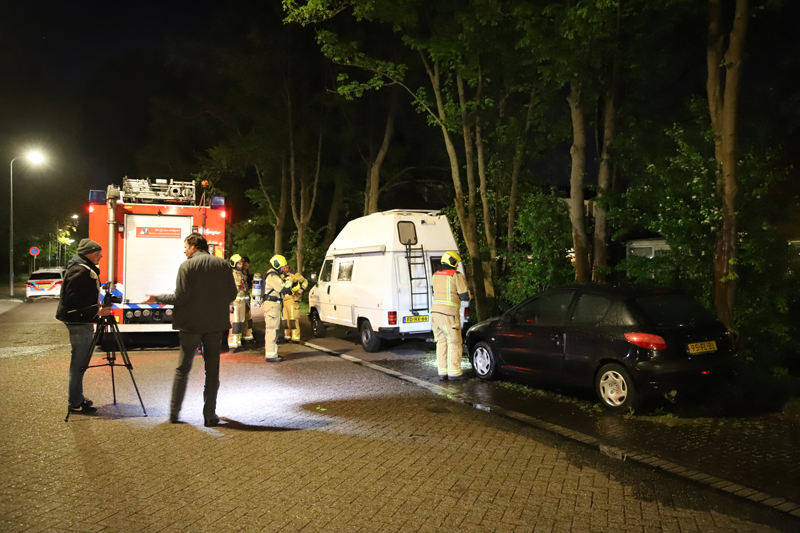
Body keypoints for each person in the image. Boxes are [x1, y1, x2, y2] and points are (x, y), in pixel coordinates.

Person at [143, 234, 237, 426]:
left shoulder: (187, 266)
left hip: (190, 325)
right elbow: (233, 294)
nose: (184, 250)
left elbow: (181, 297)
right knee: (212, 371)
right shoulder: (223, 265)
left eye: (185, 246)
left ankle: (174, 413)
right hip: (215, 326)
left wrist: (157, 298)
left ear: (194, 246)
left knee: (183, 368)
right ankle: (210, 416)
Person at [56, 239, 114, 415]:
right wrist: (97, 311)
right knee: (79, 364)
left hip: (81, 321)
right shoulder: (79, 271)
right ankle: (74, 403)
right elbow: (73, 301)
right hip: (79, 322)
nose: (101, 256)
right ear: (88, 253)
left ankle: (78, 399)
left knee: (81, 363)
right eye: (98, 253)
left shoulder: (81, 268)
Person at [431, 251, 470, 381]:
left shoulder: (435, 275)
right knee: (454, 343)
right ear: (453, 262)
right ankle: (454, 373)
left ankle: (442, 372)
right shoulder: (456, 276)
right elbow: (464, 296)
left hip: (435, 314)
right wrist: (470, 295)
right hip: (449, 315)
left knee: (441, 342)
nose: (457, 266)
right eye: (457, 263)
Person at [264, 254, 292, 362]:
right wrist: (289, 280)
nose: (283, 269)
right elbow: (283, 288)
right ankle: (271, 355)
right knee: (272, 330)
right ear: (276, 265)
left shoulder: (274, 275)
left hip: (274, 305)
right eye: (281, 267)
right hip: (272, 305)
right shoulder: (273, 276)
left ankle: (272, 353)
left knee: (273, 329)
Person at [227, 254, 249, 352]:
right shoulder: (230, 274)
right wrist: (229, 303)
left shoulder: (242, 274)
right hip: (235, 303)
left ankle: (238, 342)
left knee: (241, 323)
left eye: (241, 263)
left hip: (242, 302)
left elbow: (244, 289)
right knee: (235, 324)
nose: (240, 265)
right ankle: (232, 345)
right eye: (238, 263)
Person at [281, 266, 308, 342]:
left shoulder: (294, 276)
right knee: (285, 319)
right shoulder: (280, 277)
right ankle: (287, 336)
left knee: (293, 319)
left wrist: (301, 289)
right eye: (284, 268)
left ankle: (295, 337)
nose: (285, 269)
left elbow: (305, 281)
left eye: (286, 268)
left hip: (292, 299)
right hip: (284, 300)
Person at [240, 256, 255, 343]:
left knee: (248, 318)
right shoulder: (239, 273)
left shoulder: (246, 273)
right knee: (240, 319)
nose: (247, 265)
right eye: (246, 263)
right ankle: (241, 336)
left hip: (246, 299)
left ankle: (248, 336)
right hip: (240, 300)